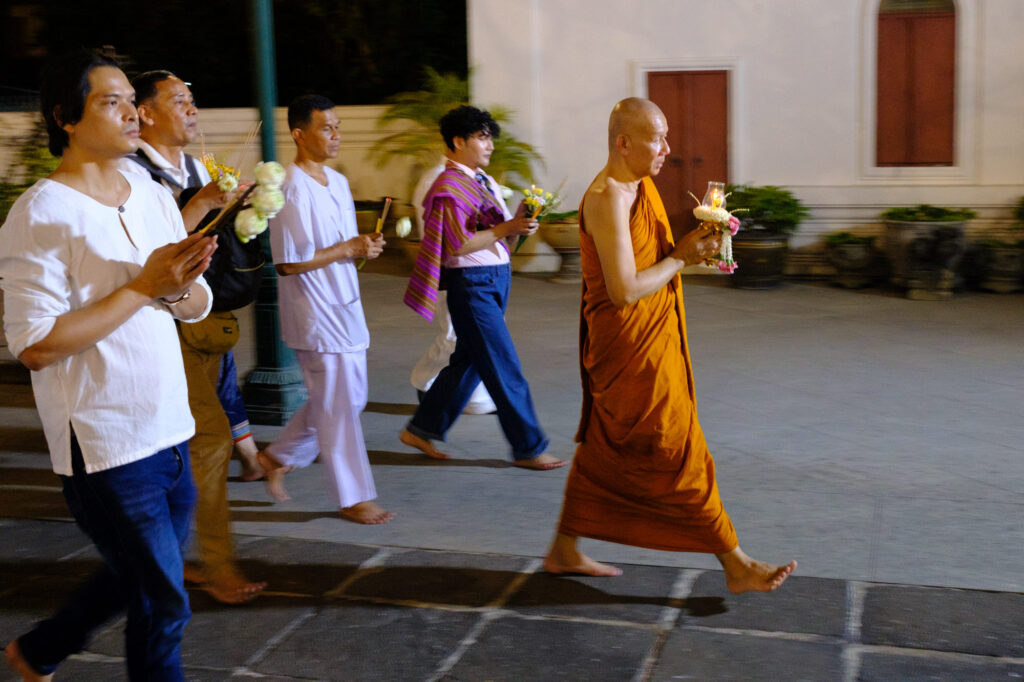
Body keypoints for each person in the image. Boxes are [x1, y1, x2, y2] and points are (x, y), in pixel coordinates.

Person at [0, 50, 215, 681]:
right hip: (107, 448)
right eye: (111, 101)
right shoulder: (40, 213)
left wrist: (179, 282)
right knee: (163, 602)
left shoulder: (148, 190)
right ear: (67, 116)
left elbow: (184, 302)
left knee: (140, 578)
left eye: (132, 100)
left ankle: (37, 651)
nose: (132, 113)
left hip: (170, 428)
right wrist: (148, 286)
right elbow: (34, 343)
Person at [542, 98, 797, 593]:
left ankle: (564, 548)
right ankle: (736, 563)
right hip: (629, 348)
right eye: (657, 138)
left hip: (648, 338)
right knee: (674, 446)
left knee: (604, 447)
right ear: (624, 142)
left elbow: (649, 260)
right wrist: (681, 257)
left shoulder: (641, 188)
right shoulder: (608, 197)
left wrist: (696, 246)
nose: (668, 149)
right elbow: (624, 290)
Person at [119, 69, 266, 605]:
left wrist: (244, 210)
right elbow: (148, 253)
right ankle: (215, 565)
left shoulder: (196, 165)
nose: (192, 109)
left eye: (192, 99)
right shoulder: (132, 173)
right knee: (209, 439)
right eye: (179, 101)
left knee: (187, 442)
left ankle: (170, 557)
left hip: (205, 320)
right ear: (147, 113)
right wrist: (204, 203)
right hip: (161, 323)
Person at [399, 105, 564, 470]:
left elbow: (500, 232)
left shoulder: (483, 180)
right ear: (458, 142)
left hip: (493, 280)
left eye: (490, 136)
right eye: (482, 137)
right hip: (471, 286)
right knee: (504, 367)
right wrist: (508, 229)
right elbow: (457, 244)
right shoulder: (448, 185)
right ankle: (529, 447)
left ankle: (422, 428)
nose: (489, 145)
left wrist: (522, 221)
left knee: (468, 363)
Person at [256, 94, 394, 525]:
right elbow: (289, 262)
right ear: (299, 134)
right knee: (337, 403)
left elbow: (344, 248)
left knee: (347, 399)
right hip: (313, 309)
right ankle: (352, 496)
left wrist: (362, 249)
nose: (335, 135)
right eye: (326, 128)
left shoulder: (336, 182)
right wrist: (345, 249)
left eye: (337, 127)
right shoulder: (289, 187)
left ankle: (277, 457)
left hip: (345, 303)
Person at [407, 158, 497, 415]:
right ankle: (426, 381)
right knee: (454, 336)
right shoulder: (439, 178)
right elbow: (438, 232)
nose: (488, 146)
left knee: (469, 338)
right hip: (450, 270)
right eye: (481, 138)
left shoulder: (478, 178)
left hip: (477, 272)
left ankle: (472, 395)